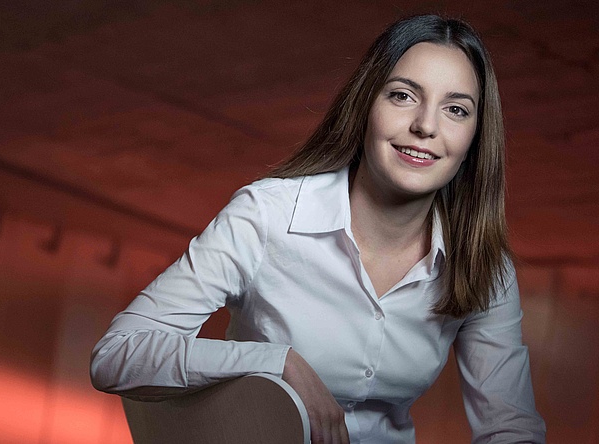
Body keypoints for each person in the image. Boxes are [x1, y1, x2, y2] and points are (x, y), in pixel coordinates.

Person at [90, 14, 546, 444]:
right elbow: (118, 354)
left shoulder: (485, 265)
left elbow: (510, 426)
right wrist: (274, 363)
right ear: (367, 103)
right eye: (403, 95)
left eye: (456, 110)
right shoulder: (267, 215)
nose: (425, 126)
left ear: (475, 138)